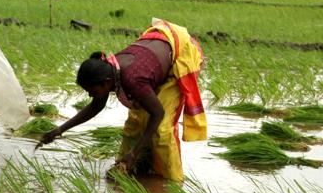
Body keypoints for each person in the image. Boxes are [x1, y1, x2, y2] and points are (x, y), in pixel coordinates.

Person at [39, 18, 207, 181]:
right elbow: (95, 107)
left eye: (92, 91)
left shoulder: (131, 79)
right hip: (157, 49)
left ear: (106, 83)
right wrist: (58, 130)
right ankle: (127, 167)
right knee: (134, 124)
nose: (91, 95)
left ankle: (170, 181)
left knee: (162, 130)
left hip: (181, 53)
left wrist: (134, 152)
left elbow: (158, 113)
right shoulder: (109, 71)